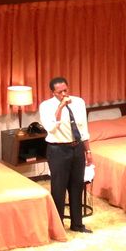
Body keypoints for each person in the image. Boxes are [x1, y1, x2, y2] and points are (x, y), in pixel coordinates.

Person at [39, 76, 93, 233]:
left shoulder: (79, 102)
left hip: (76, 148)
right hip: (58, 150)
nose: (64, 94)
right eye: (60, 92)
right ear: (53, 92)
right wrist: (60, 107)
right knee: (59, 188)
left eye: (65, 90)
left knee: (77, 186)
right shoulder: (46, 106)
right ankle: (58, 226)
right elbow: (50, 128)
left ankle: (77, 224)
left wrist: (87, 151)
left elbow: (83, 128)